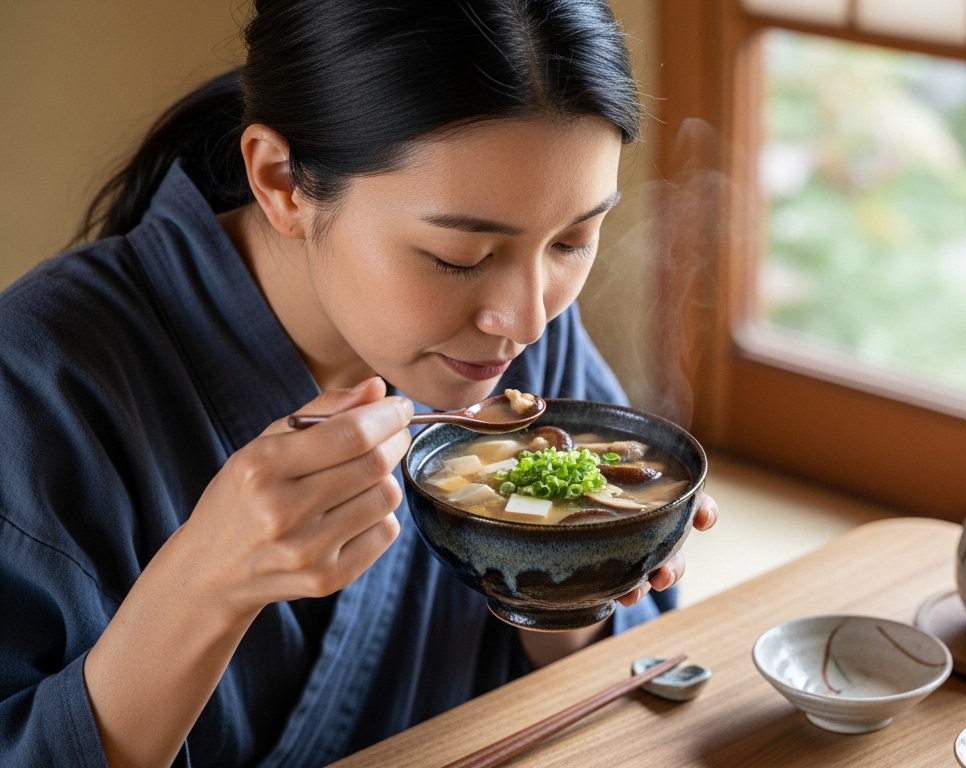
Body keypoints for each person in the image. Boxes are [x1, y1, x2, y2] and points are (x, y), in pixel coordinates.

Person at [0, 1, 718, 766]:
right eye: (459, 256)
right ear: (281, 183)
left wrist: (577, 571)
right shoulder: (39, 384)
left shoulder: (514, 347)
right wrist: (206, 585)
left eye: (573, 240)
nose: (527, 319)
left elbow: (622, 682)